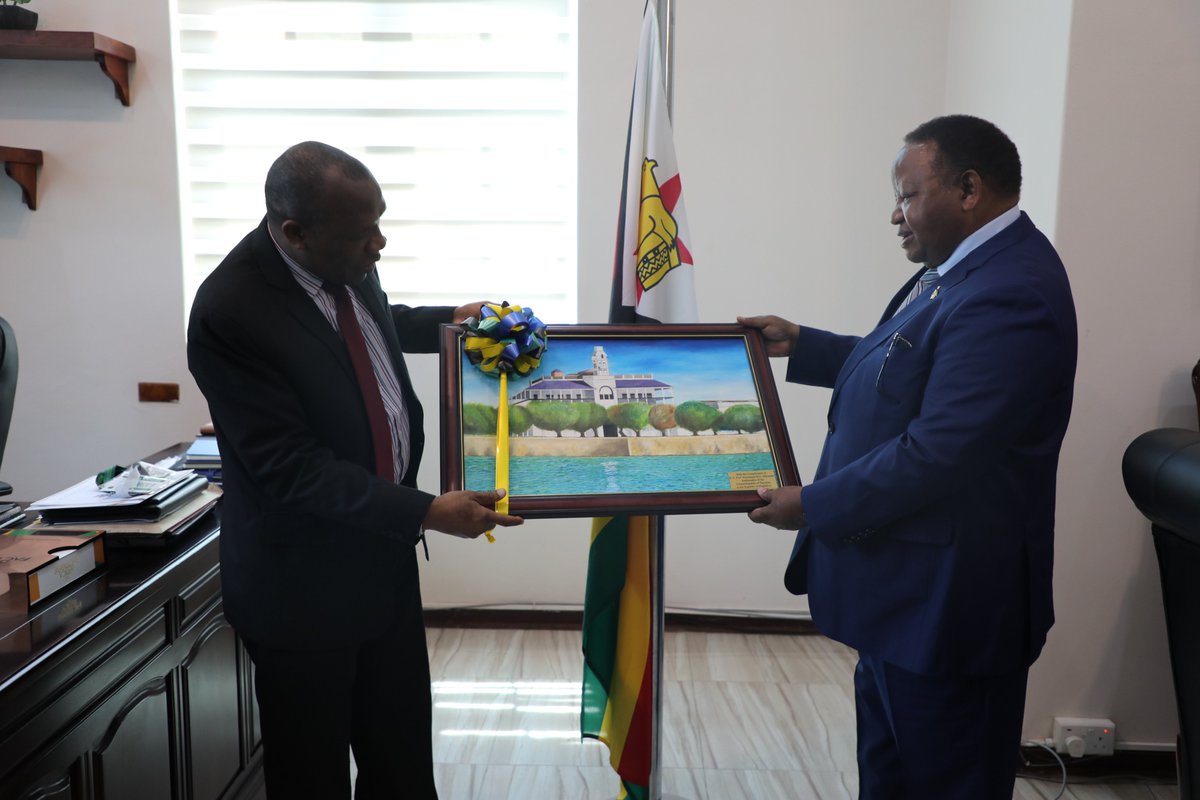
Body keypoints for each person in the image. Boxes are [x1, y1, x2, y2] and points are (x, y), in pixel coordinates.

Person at [740, 115, 1077, 799]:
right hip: (902, 602)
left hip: (949, 614)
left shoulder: (1011, 291)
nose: (895, 215)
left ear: (969, 190)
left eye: (907, 196)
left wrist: (812, 505)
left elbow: (939, 452)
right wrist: (805, 345)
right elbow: (906, 366)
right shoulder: (959, 271)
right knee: (889, 779)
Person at [187, 141, 522, 799]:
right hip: (300, 593)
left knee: (402, 769)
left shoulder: (342, 259)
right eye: (362, 232)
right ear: (296, 233)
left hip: (382, 567)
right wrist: (425, 511)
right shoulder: (230, 310)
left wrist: (447, 322)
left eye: (380, 221)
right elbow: (290, 468)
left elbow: (364, 325)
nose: (380, 243)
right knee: (312, 778)